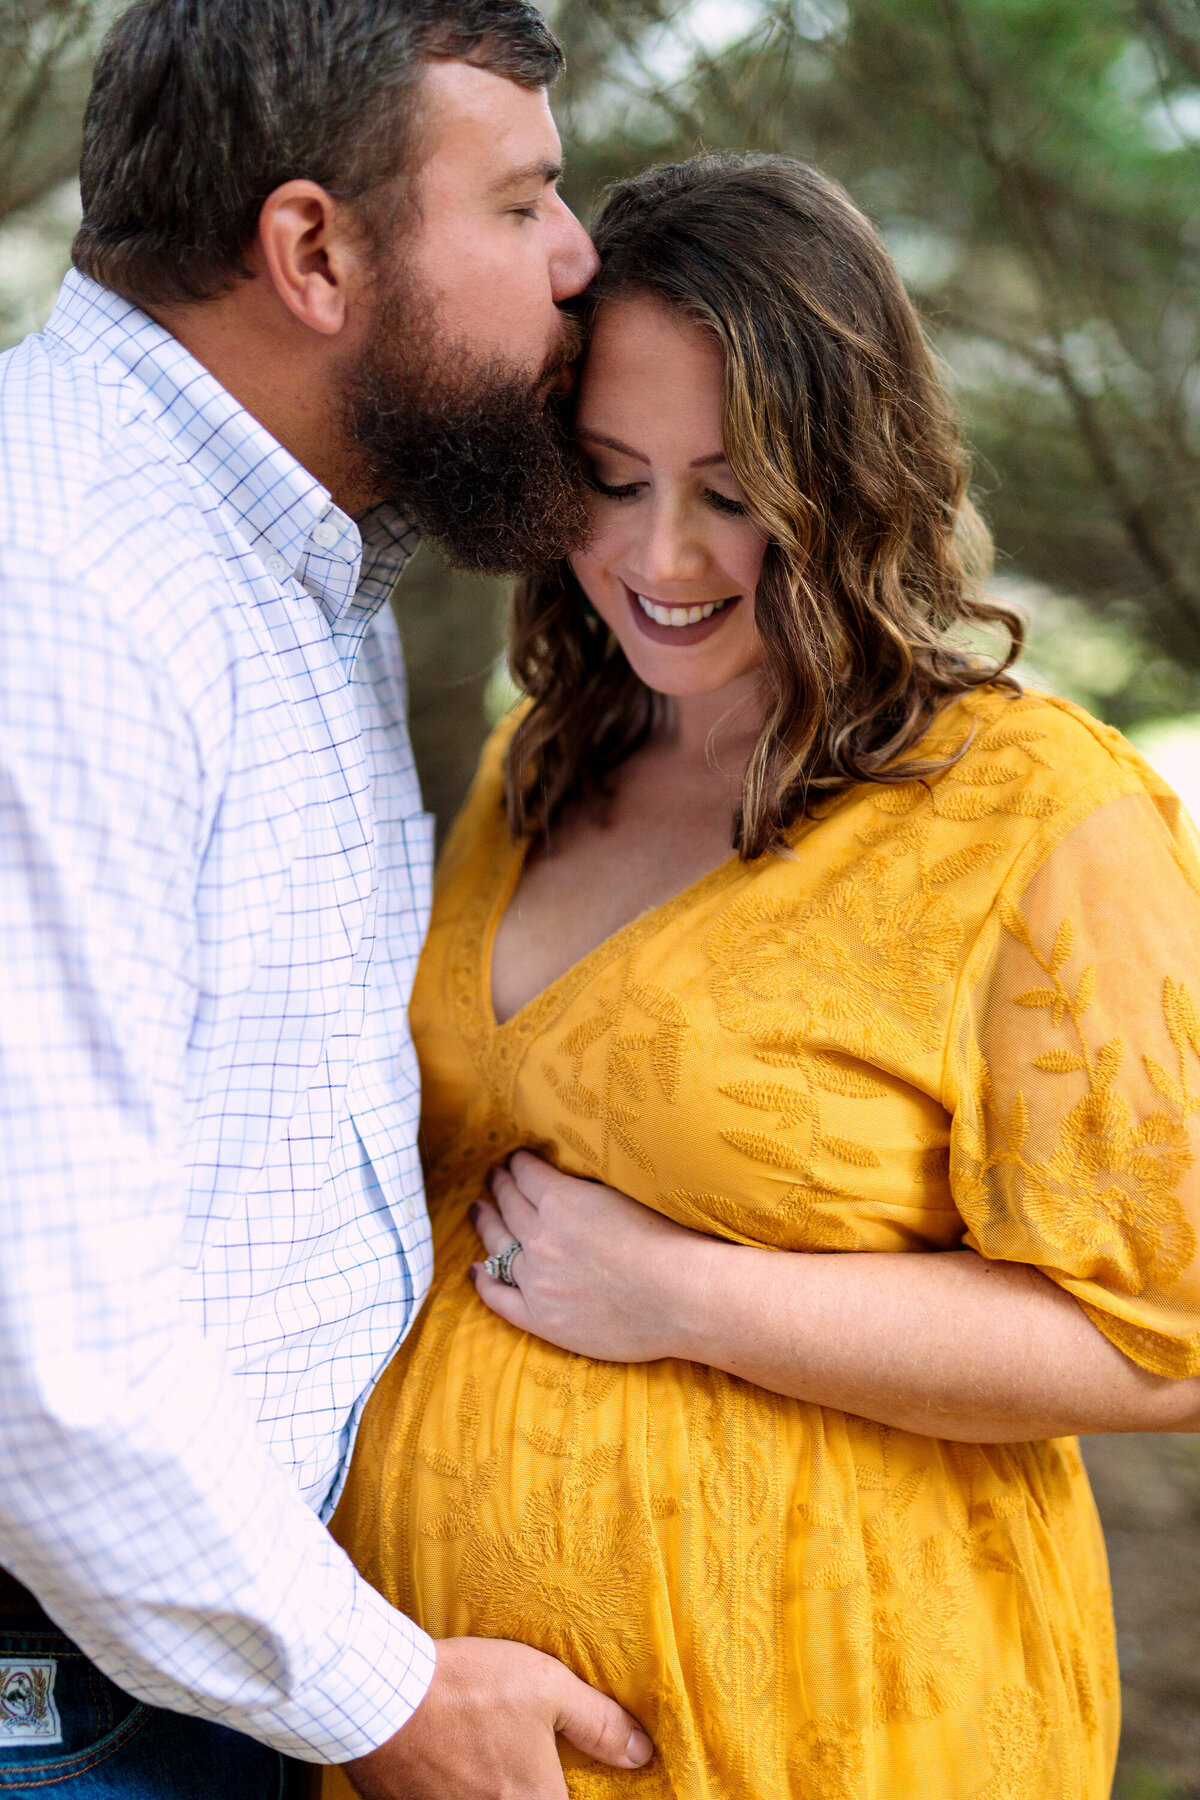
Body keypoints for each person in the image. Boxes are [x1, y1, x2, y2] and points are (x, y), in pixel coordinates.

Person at [329, 155, 1200, 1800]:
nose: (663, 553)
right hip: (438, 1733)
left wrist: (686, 1298)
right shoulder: (540, 758)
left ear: (850, 479)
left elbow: (1171, 1337)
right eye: (608, 475)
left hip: (840, 1716)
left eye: (731, 491)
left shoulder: (1032, 814)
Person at [0, 2, 656, 1796]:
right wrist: (383, 1694)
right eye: (522, 203)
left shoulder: (280, 550)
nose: (582, 259)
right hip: (75, 1706)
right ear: (313, 251)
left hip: (192, 1662)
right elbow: (34, 1341)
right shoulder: (60, 594)